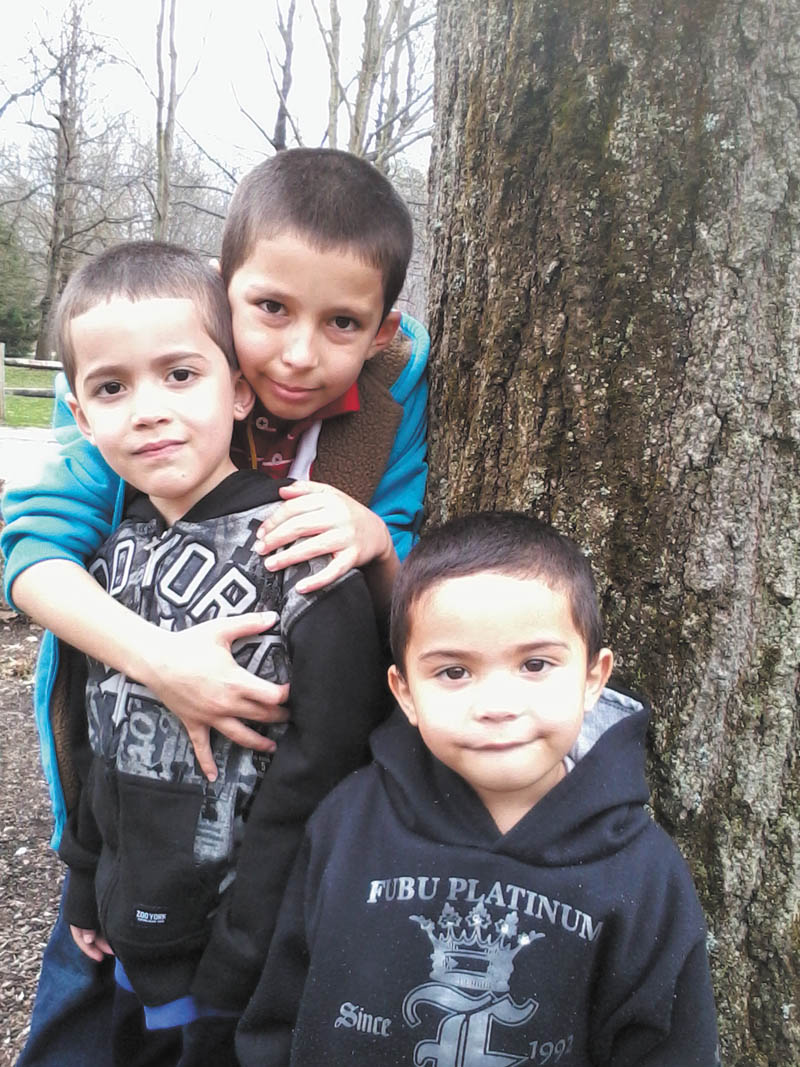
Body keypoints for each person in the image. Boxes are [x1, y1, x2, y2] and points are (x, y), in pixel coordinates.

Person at [0, 148, 427, 1066]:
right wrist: (164, 663)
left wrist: (379, 541)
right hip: (121, 822)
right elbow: (30, 555)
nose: (298, 352)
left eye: (341, 322)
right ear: (224, 294)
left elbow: (402, 592)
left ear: (379, 331)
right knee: (79, 1017)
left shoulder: (382, 413)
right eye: (269, 310)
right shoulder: (149, 404)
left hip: (254, 862)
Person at [236, 511, 721, 1066]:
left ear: (593, 678)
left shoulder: (643, 873)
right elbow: (280, 1008)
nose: (495, 706)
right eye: (453, 673)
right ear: (405, 693)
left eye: (535, 664)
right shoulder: (347, 824)